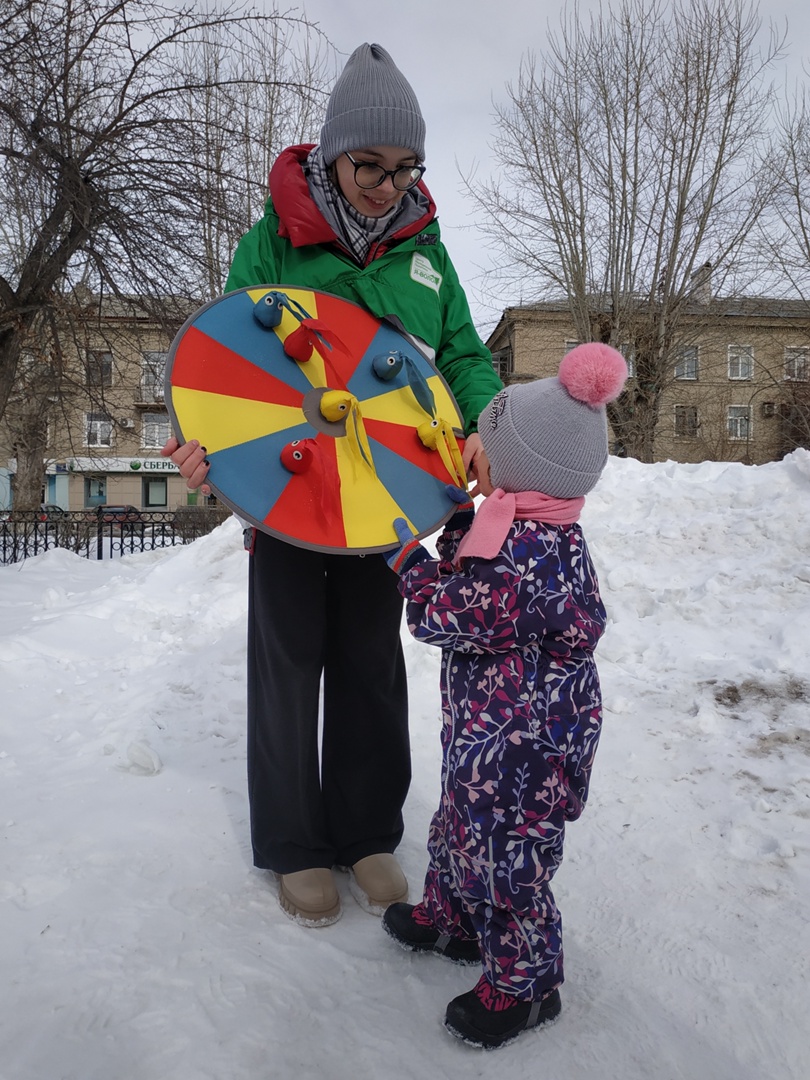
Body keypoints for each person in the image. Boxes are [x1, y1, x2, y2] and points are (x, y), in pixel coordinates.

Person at [162, 43, 503, 926]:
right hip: (290, 497)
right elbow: (230, 361)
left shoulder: (428, 259)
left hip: (386, 501)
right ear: (329, 154)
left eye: (404, 169)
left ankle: (366, 833)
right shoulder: (273, 240)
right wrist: (210, 451)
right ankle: (293, 844)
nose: (387, 185)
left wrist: (486, 429)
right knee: (286, 663)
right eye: (368, 165)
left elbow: (464, 355)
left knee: (370, 661)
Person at [381, 343, 628, 1049]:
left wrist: (411, 568)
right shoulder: (526, 526)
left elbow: (451, 612)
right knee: (459, 818)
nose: (471, 452)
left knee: (507, 856)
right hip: (491, 734)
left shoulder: (529, 560)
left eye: (484, 446)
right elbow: (478, 547)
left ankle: (527, 985)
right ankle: (452, 917)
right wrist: (464, 508)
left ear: (519, 468)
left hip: (528, 749)